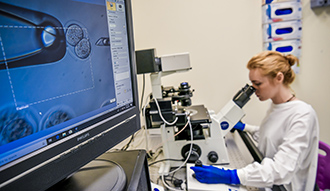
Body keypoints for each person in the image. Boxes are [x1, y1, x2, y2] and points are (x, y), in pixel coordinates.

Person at [191, 51, 320, 191]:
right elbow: (272, 137)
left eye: (257, 83)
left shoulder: (302, 115)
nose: (253, 89)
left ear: (279, 78)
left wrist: (231, 175)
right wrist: (245, 127)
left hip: (285, 187)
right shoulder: (277, 106)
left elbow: (281, 170)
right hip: (270, 183)